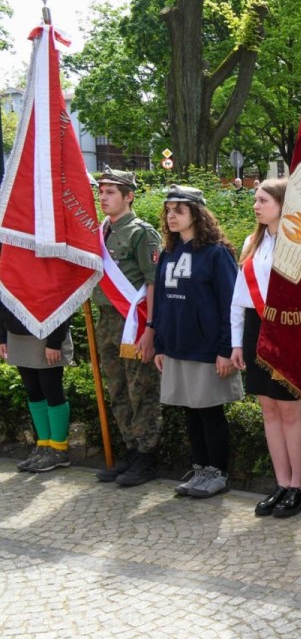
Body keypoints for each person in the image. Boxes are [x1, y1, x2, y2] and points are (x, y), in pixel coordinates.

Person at [152, 185, 243, 498]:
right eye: (169, 210)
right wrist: (161, 344)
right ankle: (201, 467)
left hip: (207, 350)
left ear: (197, 213)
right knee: (189, 409)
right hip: (178, 345)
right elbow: (161, 302)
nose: (172, 216)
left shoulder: (217, 254)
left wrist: (225, 349)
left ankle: (218, 472)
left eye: (180, 209)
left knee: (209, 411)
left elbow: (230, 303)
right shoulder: (168, 252)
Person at [230, 178, 301, 518]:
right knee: (268, 408)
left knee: (290, 409)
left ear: (282, 203)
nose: (256, 205)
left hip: (290, 331)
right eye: (255, 200)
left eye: (263, 200)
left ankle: (298, 486)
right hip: (255, 328)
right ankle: (281, 483)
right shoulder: (253, 241)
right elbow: (239, 296)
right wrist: (236, 342)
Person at [92, 169, 163, 487]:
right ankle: (131, 449)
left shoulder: (141, 233)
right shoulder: (99, 231)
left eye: (110, 192)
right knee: (117, 388)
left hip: (133, 323)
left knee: (141, 390)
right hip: (106, 320)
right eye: (102, 191)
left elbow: (153, 283)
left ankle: (146, 457)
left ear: (129, 196)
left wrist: (150, 328)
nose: (103, 197)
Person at [2, 302, 74, 473]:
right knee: (33, 391)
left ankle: (59, 448)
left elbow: (63, 302)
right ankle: (44, 445)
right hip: (17, 337)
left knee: (51, 390)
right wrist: (1, 337)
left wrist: (55, 342)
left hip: (47, 336)